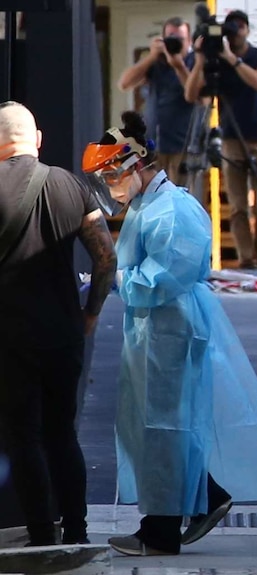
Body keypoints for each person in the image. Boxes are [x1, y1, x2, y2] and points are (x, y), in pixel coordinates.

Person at [81, 110, 257, 556]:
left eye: (111, 175)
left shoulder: (172, 211)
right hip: (155, 330)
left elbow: (160, 278)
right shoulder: (149, 205)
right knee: (154, 427)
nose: (111, 186)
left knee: (165, 428)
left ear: (134, 166)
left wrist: (113, 280)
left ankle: (161, 530)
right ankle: (203, 499)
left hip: (169, 330)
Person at [0, 101, 117, 546]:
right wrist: (91, 313)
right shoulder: (68, 184)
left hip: (9, 337)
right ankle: (78, 528)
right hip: (63, 333)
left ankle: (40, 533)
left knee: (22, 435)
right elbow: (106, 256)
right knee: (62, 433)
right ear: (38, 140)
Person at [185, 9, 257, 270]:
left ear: (248, 30)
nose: (236, 31)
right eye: (232, 27)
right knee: (238, 207)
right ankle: (246, 259)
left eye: (240, 26)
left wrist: (232, 59)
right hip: (231, 137)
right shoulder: (218, 64)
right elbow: (194, 95)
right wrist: (199, 59)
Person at [118, 17, 195, 186]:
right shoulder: (157, 62)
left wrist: (178, 65)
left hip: (183, 145)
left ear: (189, 41)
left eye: (179, 39)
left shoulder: (193, 61)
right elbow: (124, 84)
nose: (174, 43)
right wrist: (152, 56)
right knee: (153, 195)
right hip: (154, 145)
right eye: (170, 38)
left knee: (180, 196)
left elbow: (195, 95)